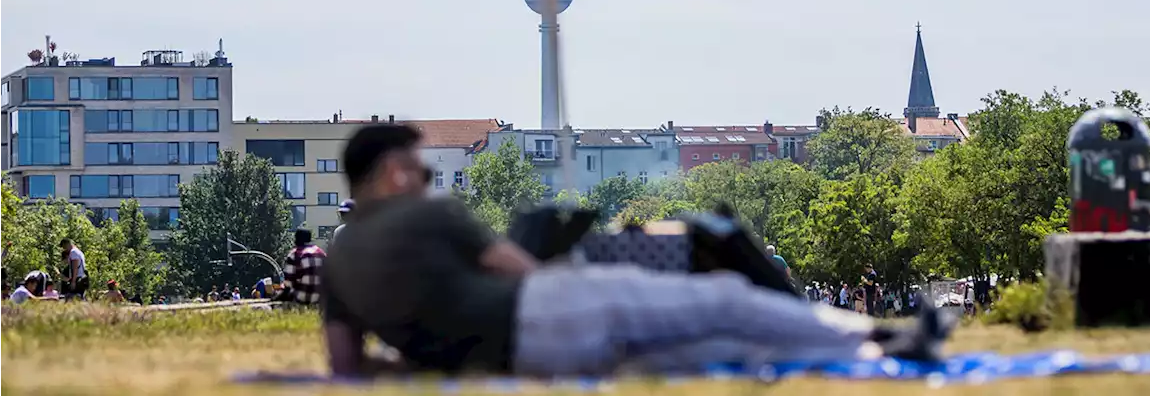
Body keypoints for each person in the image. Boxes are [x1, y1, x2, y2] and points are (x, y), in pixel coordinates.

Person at [322, 124, 952, 378]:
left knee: (711, 351)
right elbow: (519, 269)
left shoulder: (339, 265)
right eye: (415, 168)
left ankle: (873, 348)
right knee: (725, 300)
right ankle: (882, 334)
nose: (425, 179)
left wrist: (421, 356)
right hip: (549, 307)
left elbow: (349, 366)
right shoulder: (426, 219)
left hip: (527, 360)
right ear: (388, 175)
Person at [279, 229, 327, 305]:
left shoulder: (295, 254)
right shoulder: (321, 253)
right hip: (322, 297)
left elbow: (288, 282)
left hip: (302, 297)